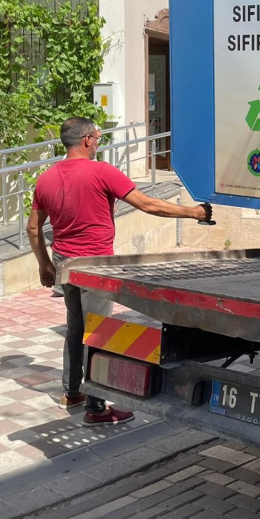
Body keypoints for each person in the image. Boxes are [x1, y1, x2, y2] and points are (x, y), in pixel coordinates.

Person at [27, 117, 210, 425]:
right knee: (97, 332)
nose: (98, 143)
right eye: (98, 138)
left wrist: (44, 265)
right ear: (86, 140)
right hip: (96, 267)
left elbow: (33, 228)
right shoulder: (102, 172)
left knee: (76, 328)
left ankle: (72, 392)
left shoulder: (46, 178)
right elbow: (148, 205)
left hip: (65, 265)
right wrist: (193, 212)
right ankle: (96, 408)